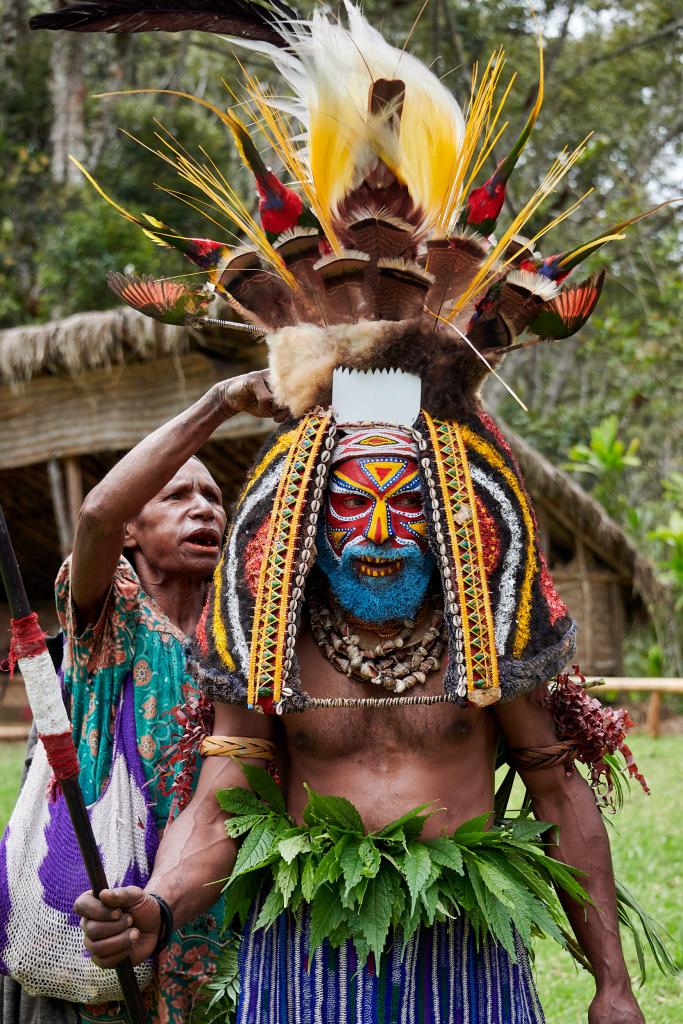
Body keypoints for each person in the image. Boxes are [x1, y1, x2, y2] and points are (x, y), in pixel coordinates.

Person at [30, 3, 660, 1020]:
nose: (375, 531)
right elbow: (220, 805)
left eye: (407, 501)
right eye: (349, 506)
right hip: (303, 956)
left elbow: (552, 788)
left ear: (457, 512)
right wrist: (155, 902)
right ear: (300, 523)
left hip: (464, 950)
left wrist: (613, 986)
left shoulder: (480, 624)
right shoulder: (271, 630)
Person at [0, 369, 284, 1024]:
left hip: (211, 899)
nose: (204, 509)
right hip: (105, 899)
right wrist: (218, 403)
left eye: (214, 499)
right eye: (176, 496)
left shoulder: (242, 635)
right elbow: (97, 515)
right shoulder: (111, 615)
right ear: (134, 529)